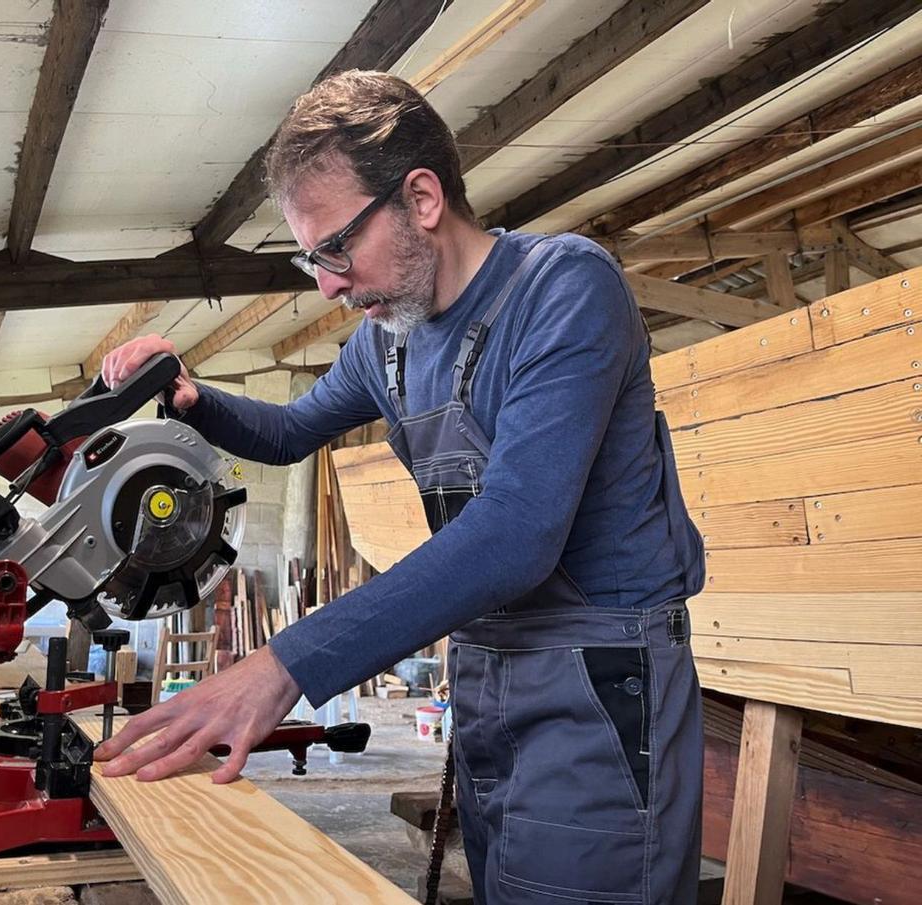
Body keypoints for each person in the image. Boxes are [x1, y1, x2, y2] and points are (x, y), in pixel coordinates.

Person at [94, 70, 705, 904]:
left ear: (421, 198)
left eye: (336, 249)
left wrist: (286, 663)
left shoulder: (562, 290)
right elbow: (286, 431)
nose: (329, 286)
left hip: (598, 687)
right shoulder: (390, 342)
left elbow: (516, 533)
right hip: (489, 680)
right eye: (313, 259)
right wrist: (189, 398)